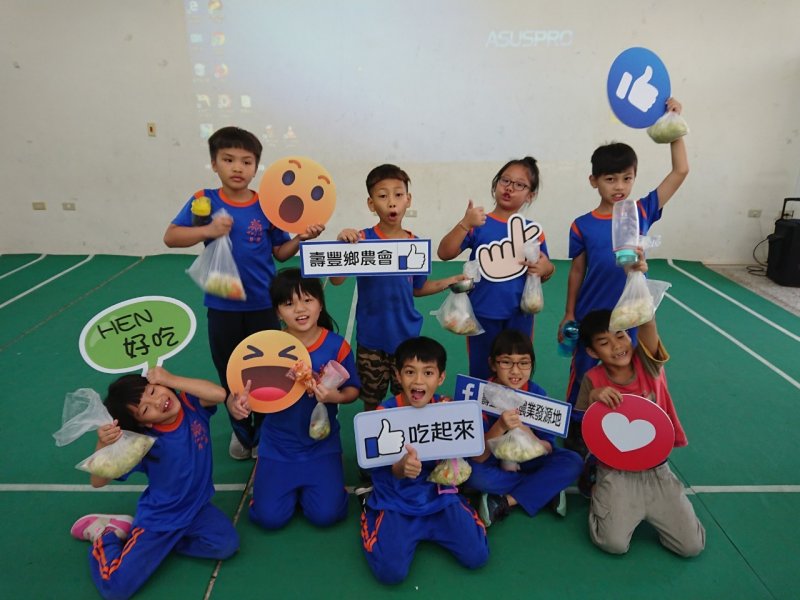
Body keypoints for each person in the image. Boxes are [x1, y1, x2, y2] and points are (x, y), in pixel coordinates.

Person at [163, 126, 324, 460]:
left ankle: (264, 432)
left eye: (246, 162)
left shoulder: (266, 205)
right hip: (222, 305)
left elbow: (280, 252)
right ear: (214, 163)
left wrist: (300, 239)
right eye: (228, 159)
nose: (237, 168)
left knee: (268, 371)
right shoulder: (204, 200)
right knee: (231, 373)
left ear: (256, 167)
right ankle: (241, 432)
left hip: (264, 305)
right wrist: (209, 229)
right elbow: (171, 237)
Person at [559, 98, 688, 453]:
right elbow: (577, 270)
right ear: (594, 181)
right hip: (590, 315)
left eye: (627, 178)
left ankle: (625, 436)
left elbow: (680, 171)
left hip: (631, 315)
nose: (619, 186)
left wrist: (674, 124)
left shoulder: (641, 210)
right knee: (586, 375)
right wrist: (569, 313)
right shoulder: (582, 225)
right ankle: (577, 432)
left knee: (630, 376)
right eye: (610, 179)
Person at [70, 367, 248, 600]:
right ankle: (105, 533)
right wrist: (103, 445)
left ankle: (164, 545)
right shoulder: (141, 444)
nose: (157, 402)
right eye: (145, 409)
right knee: (116, 589)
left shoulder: (191, 407)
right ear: (143, 424)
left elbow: (219, 394)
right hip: (160, 520)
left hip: (197, 509)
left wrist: (171, 379)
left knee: (226, 545)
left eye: (153, 391)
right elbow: (97, 481)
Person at [575, 254, 705, 557]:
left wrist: (637, 279)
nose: (617, 346)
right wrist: (593, 399)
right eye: (604, 343)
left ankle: (660, 504)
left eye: (620, 336)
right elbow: (583, 424)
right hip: (615, 470)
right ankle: (598, 488)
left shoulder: (648, 363)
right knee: (614, 544)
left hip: (657, 469)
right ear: (592, 352)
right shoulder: (592, 379)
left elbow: (647, 322)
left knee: (691, 546)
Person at [332, 164, 465, 411]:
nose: (391, 202)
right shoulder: (362, 240)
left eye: (398, 194)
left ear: (408, 200)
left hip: (406, 338)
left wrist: (448, 281)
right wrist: (342, 247)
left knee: (406, 400)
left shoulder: (415, 245)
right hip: (371, 340)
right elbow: (336, 280)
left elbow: (418, 288)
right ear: (371, 204)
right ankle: (372, 435)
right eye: (382, 196)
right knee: (371, 400)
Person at [360, 336, 489, 585]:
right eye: (410, 372)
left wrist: (464, 420)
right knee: (391, 573)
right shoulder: (382, 416)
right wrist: (401, 468)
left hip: (441, 497)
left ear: (440, 378)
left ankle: (459, 512)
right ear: (398, 376)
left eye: (428, 373)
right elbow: (376, 465)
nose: (418, 381)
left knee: (477, 556)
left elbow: (475, 439)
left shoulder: (448, 408)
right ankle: (370, 508)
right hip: (397, 500)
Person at [246, 268, 360, 530]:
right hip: (278, 445)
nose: (300, 309)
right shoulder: (268, 347)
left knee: (326, 516)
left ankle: (325, 483)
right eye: (288, 304)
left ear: (320, 304)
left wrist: (335, 396)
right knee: (269, 519)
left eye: (307, 300)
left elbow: (353, 390)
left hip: (321, 444)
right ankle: (273, 484)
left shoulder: (337, 346)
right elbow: (247, 394)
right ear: (277, 312)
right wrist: (240, 404)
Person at [437, 157, 555, 381]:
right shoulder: (479, 223)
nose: (510, 188)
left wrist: (546, 268)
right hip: (482, 313)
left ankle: (513, 404)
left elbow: (545, 270)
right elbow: (444, 253)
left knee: (516, 371)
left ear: (530, 195)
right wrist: (465, 223)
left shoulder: (532, 231)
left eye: (519, 185)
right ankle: (482, 405)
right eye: (505, 181)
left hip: (520, 314)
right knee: (482, 371)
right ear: (495, 184)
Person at [467, 330, 583, 527]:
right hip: (493, 462)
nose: (515, 371)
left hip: (530, 460)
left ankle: (505, 501)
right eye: (506, 362)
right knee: (473, 475)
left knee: (573, 462)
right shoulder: (479, 396)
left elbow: (548, 447)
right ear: (493, 364)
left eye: (523, 363)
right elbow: (478, 457)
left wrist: (527, 432)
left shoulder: (537, 395)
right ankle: (545, 488)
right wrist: (500, 426)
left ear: (532, 365)